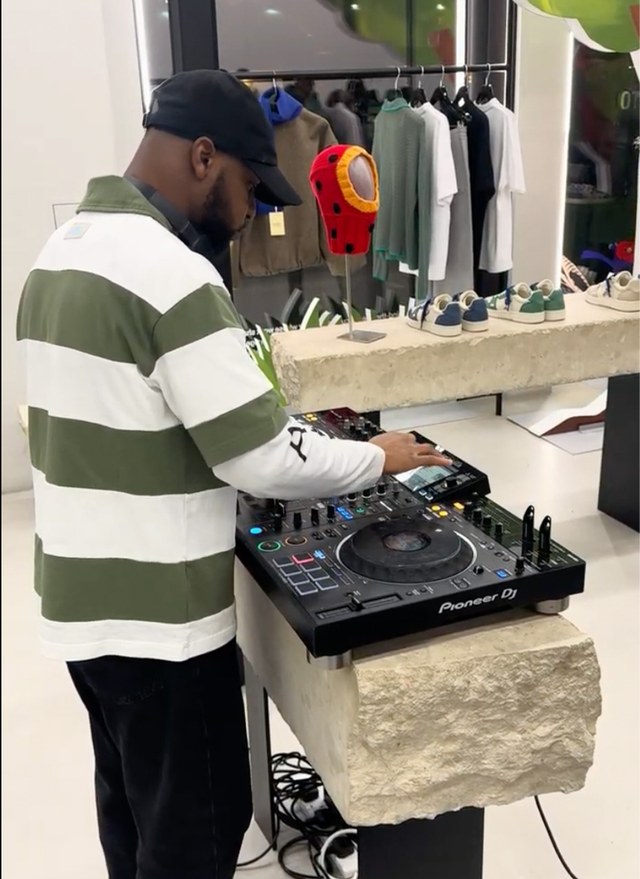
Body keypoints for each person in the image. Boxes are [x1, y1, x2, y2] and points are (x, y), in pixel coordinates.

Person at [16, 69, 452, 879]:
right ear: (206, 158)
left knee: (134, 818)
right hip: (164, 631)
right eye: (251, 186)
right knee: (192, 845)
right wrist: (377, 457)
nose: (253, 212)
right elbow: (255, 454)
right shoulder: (170, 273)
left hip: (83, 614)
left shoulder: (57, 255)